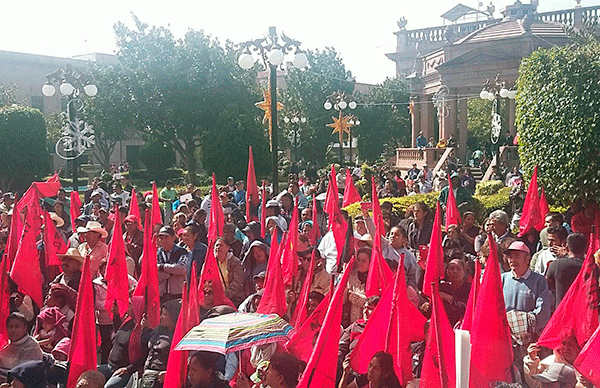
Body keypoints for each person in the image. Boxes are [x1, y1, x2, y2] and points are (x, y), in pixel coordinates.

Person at [502, 241, 554, 334]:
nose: (512, 260)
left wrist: (523, 326)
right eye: (510, 257)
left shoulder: (539, 281)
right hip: (506, 335)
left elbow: (543, 313)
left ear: (527, 259)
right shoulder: (503, 279)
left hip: (530, 338)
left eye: (517, 256)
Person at [139, 300, 181, 388]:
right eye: (161, 313)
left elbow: (180, 360)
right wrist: (145, 329)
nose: (161, 317)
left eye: (165, 314)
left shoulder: (178, 336)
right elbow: (145, 346)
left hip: (161, 379)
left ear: (173, 316)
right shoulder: (157, 330)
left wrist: (169, 373)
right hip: (147, 376)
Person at [546, 233, 587, 307]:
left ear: (567, 247)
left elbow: (547, 283)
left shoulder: (557, 264)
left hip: (563, 311)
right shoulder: (590, 267)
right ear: (585, 248)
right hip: (584, 311)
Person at [0, 313, 44, 381]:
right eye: (10, 327)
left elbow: (21, 376)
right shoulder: (5, 344)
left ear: (25, 328)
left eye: (17, 326)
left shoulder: (31, 347)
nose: (13, 330)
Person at [157, 225, 188, 302]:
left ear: (173, 238)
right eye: (161, 238)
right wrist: (171, 272)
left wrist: (162, 267)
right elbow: (154, 274)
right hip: (162, 294)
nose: (163, 240)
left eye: (166, 237)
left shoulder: (181, 251)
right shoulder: (158, 253)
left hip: (177, 293)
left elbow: (182, 269)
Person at [213, 237, 244, 306]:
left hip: (232, 298)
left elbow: (237, 281)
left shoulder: (235, 262)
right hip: (215, 298)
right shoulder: (210, 263)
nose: (218, 247)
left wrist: (225, 295)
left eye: (221, 245)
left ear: (228, 248)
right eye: (216, 245)